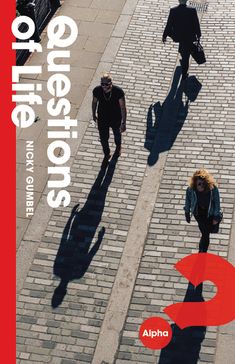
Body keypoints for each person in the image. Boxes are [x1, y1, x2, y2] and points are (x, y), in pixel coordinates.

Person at [162, 0, 201, 80]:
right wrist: (199, 35)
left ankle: (182, 52)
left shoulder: (173, 10)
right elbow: (196, 23)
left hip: (178, 36)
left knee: (184, 51)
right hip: (189, 37)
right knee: (186, 57)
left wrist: (164, 36)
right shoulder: (192, 10)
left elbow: (169, 24)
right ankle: (184, 74)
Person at [184, 169, 221, 252]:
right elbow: (188, 201)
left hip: (209, 214)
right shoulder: (190, 190)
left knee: (205, 233)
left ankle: (202, 251)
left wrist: (216, 216)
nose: (201, 186)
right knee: (205, 233)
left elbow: (217, 202)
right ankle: (202, 251)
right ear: (195, 183)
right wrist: (187, 212)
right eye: (199, 184)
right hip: (198, 213)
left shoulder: (213, 189)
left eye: (203, 184)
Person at [92, 73, 127, 162]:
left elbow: (123, 107)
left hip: (115, 118)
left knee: (117, 134)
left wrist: (123, 122)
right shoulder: (97, 90)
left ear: (111, 83)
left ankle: (118, 147)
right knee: (103, 138)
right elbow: (94, 102)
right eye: (102, 84)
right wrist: (93, 114)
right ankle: (106, 153)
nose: (104, 86)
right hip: (102, 118)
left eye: (106, 84)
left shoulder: (118, 91)